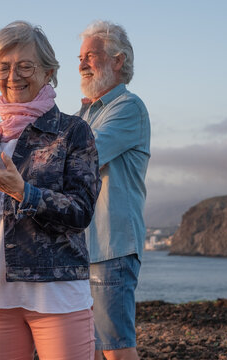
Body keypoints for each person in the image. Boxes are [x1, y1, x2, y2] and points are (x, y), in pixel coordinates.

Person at [0, 21, 101, 360]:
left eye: (25, 66)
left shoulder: (74, 132)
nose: (13, 76)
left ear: (49, 72)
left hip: (57, 296)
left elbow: (81, 211)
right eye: (3, 67)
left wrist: (23, 192)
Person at [76, 20, 150, 360]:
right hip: (82, 252)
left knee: (117, 351)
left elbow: (86, 156)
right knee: (87, 350)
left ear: (117, 61)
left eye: (90, 55)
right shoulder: (85, 115)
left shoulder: (128, 108)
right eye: (80, 57)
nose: (81, 64)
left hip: (110, 248)